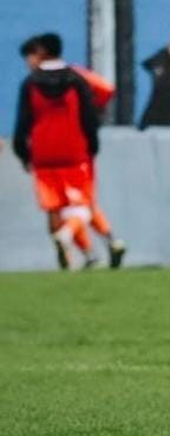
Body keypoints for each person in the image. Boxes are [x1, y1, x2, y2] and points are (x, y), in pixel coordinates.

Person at [13, 34, 126, 270]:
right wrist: (92, 144)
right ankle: (74, 238)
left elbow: (23, 121)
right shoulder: (76, 79)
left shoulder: (30, 83)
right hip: (75, 151)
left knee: (55, 207)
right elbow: (93, 110)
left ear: (41, 52)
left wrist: (23, 152)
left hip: (43, 154)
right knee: (82, 205)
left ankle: (80, 257)